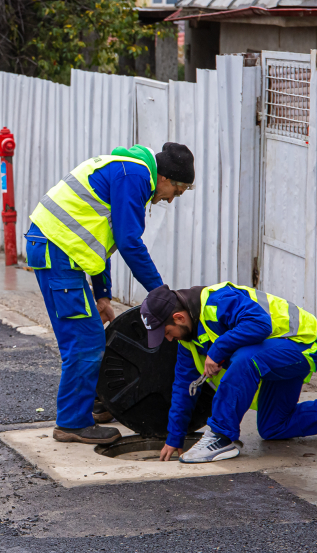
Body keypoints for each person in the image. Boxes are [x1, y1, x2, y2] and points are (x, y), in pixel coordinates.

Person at [24, 143, 195, 445]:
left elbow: (97, 237)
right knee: (86, 341)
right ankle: (72, 423)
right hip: (58, 253)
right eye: (176, 192)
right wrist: (161, 295)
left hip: (58, 250)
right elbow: (129, 242)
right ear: (165, 178)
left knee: (84, 337)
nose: (170, 199)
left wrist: (103, 294)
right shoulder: (136, 176)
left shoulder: (125, 171)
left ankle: (93, 404)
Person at [140, 282, 317, 463]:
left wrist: (218, 349)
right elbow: (184, 386)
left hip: (303, 343)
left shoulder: (217, 301)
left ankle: (221, 437)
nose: (168, 339)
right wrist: (174, 438)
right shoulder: (187, 341)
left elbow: (260, 324)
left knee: (244, 358)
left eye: (167, 333)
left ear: (179, 317)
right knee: (274, 427)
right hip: (273, 357)